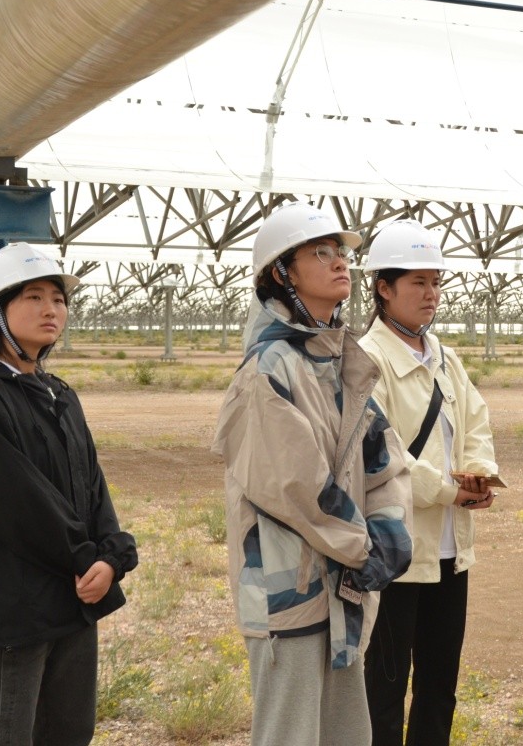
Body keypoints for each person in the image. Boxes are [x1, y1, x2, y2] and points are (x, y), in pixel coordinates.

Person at [211, 202, 413, 746]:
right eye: (320, 253)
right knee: (292, 735)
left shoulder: (339, 363)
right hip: (290, 593)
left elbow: (384, 461)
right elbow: (299, 488)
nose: (339, 263)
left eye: (341, 252)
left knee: (346, 733)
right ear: (282, 273)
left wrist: (391, 527)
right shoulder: (269, 370)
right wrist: (367, 549)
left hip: (342, 588)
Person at [0, 242, 138, 745]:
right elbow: (22, 506)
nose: (52, 309)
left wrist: (112, 555)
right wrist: (85, 558)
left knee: (69, 731)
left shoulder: (60, 396)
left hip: (74, 599)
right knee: (6, 733)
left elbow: (91, 485)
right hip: (15, 611)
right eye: (34, 297)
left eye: (59, 298)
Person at [358, 219, 502, 746]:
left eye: (436, 282)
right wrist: (448, 489)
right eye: (418, 282)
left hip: (448, 548)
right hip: (397, 550)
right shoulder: (367, 360)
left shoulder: (442, 355)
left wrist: (478, 473)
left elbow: (475, 418)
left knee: (441, 682)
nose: (431, 294)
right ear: (383, 287)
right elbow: (381, 454)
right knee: (386, 684)